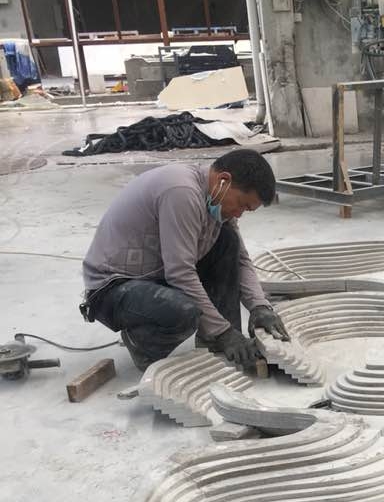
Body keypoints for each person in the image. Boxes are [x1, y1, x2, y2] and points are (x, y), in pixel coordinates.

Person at [80, 149, 288, 372]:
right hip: (113, 288)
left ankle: (216, 340)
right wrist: (224, 332)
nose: (239, 214)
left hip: (156, 275)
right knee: (184, 311)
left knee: (227, 240)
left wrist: (259, 306)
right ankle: (142, 343)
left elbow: (240, 260)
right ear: (223, 180)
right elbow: (180, 273)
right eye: (242, 204)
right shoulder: (182, 192)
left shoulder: (214, 197)